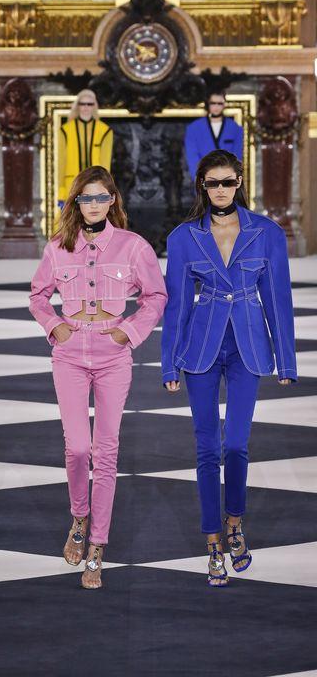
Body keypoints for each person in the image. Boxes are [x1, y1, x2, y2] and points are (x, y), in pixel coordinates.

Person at [161, 149, 296, 587]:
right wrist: (169, 363)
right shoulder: (184, 237)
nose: (220, 190)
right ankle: (213, 543)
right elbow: (177, 305)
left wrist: (286, 358)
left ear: (240, 182)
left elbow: (278, 298)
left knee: (236, 444)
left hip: (248, 345)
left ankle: (235, 521)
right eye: (212, 183)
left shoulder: (266, 233)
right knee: (206, 449)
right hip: (201, 346)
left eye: (228, 182)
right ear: (202, 186)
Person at [30, 165, 167, 589]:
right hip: (70, 354)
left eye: (100, 197)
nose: (93, 205)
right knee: (77, 448)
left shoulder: (132, 246)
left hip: (113, 354)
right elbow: (37, 296)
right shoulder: (58, 247)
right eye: (85, 197)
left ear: (112, 201)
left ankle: (97, 546)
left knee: (106, 452)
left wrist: (130, 331)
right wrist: (55, 326)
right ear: (76, 202)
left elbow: (156, 296)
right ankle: (79, 516)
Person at [57, 90, 113, 215]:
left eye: (89, 104)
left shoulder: (105, 131)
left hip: (96, 185)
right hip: (71, 184)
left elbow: (105, 165)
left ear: (94, 106)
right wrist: (61, 192)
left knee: (94, 218)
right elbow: (61, 163)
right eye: (82, 104)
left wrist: (106, 190)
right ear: (77, 106)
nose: (86, 107)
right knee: (71, 220)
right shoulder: (65, 130)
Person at [185, 91, 243, 181]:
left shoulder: (235, 128)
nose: (216, 107)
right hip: (204, 178)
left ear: (224, 104)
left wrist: (231, 178)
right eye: (213, 103)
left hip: (227, 179)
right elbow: (192, 157)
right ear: (207, 104)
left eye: (220, 103)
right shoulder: (193, 128)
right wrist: (199, 179)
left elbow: (237, 156)